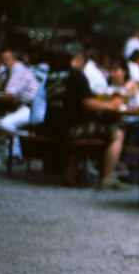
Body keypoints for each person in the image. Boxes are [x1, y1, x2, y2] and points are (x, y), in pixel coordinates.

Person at [40, 45, 127, 190]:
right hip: (68, 128)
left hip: (49, 126)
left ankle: (71, 172)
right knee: (117, 133)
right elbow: (89, 104)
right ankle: (107, 179)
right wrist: (111, 105)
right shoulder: (76, 75)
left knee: (88, 129)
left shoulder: (53, 74)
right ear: (79, 58)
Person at [0, 48, 41, 164]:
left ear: (13, 59)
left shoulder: (18, 69)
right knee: (6, 117)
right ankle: (14, 153)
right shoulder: (12, 70)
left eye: (7, 59)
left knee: (6, 123)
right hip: (25, 106)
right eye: (3, 59)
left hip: (33, 107)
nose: (5, 62)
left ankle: (15, 155)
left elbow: (10, 93)